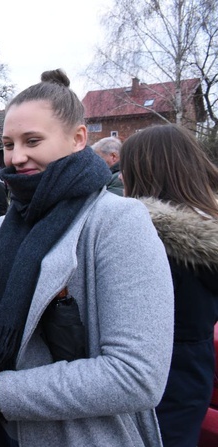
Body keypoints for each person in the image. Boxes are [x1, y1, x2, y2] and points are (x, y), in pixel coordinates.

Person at [0, 69, 174, 446]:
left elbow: (136, 376)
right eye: (8, 144)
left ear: (78, 139)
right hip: (3, 432)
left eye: (32, 140)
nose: (16, 157)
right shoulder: (9, 225)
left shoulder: (117, 222)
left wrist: (0, 395)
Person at [119, 124, 218, 447]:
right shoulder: (209, 231)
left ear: (144, 173)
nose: (120, 177)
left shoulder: (144, 236)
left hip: (154, 372)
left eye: (125, 169)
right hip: (195, 372)